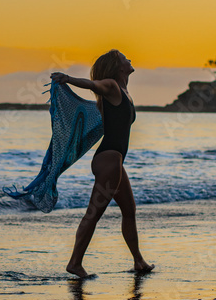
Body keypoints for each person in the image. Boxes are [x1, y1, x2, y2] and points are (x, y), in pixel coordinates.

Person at [51, 49, 154, 279]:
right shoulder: (111, 86)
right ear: (118, 67)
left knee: (129, 210)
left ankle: (138, 261)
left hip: (114, 160)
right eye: (124, 58)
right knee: (93, 213)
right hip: (109, 159)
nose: (129, 59)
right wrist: (68, 79)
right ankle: (75, 263)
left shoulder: (123, 92)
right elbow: (91, 84)